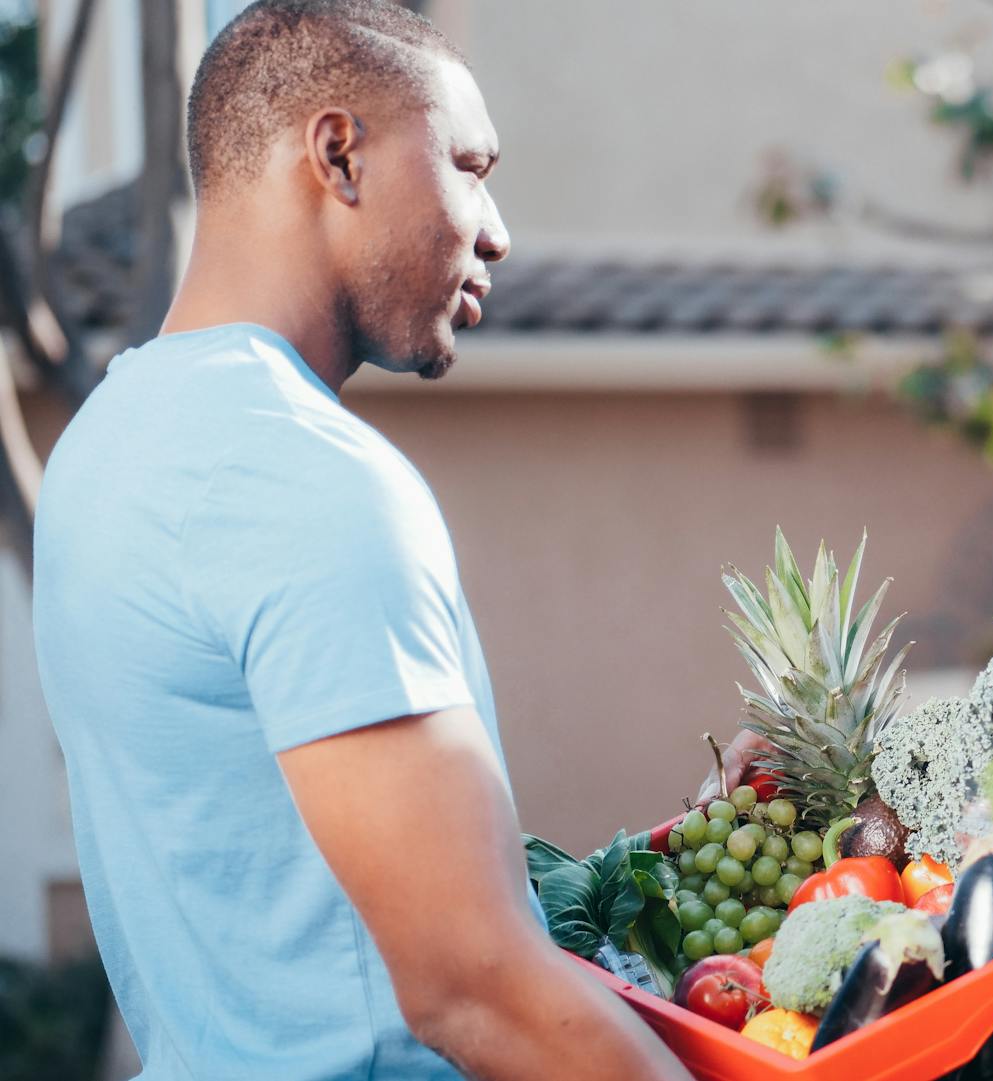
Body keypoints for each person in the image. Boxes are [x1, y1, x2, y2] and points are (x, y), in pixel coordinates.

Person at [32, 3, 690, 1078]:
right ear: (339, 154)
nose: (497, 229)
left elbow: (293, 897)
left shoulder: (105, 448)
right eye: (469, 167)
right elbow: (472, 992)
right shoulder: (297, 475)